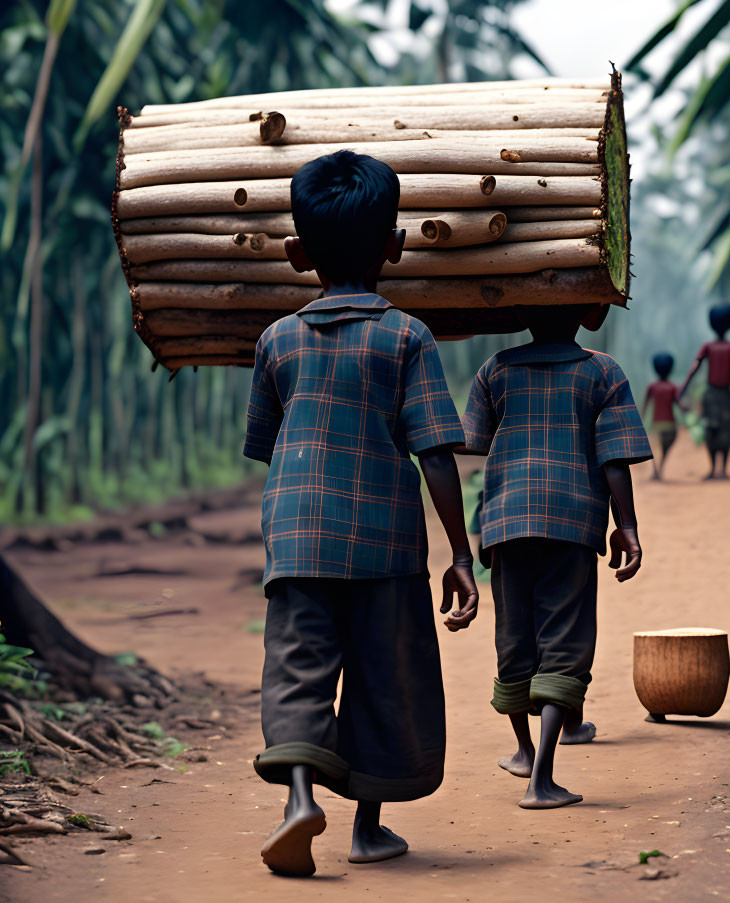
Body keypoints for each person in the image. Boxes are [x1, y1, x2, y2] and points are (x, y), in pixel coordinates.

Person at [243, 150, 479, 876]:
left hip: (297, 533)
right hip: (384, 540)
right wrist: (460, 554)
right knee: (385, 675)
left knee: (298, 668)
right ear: (394, 244)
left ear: (294, 252)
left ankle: (299, 801)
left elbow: (265, 443)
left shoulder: (275, 340)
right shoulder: (407, 336)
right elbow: (436, 452)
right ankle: (367, 829)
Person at [460, 304, 652, 809]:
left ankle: (523, 751)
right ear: (586, 316)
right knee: (563, 639)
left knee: (514, 636)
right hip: (572, 520)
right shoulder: (602, 371)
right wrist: (626, 527)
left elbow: (474, 442)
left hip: (505, 519)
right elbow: (614, 458)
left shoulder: (495, 369)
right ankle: (541, 779)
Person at [679, 304, 730, 479]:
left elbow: (693, 369)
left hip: (710, 395)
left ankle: (713, 469)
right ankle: (723, 470)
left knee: (710, 431)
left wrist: (683, 390)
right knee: (726, 430)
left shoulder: (708, 347)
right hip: (725, 395)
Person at [642, 352, 685, 480]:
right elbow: (680, 405)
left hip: (656, 424)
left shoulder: (652, 387)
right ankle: (660, 468)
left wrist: (640, 420)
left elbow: (645, 406)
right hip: (670, 424)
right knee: (665, 448)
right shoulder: (673, 387)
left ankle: (656, 470)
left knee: (654, 448)